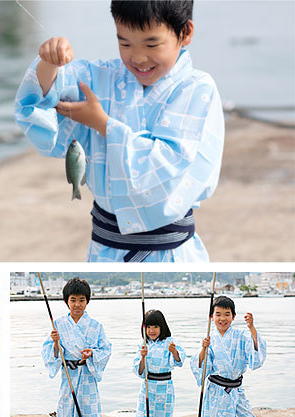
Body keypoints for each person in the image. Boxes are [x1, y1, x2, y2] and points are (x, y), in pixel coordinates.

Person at [14, 0, 224, 262]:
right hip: (104, 250)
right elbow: (43, 97)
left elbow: (164, 166)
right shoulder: (102, 76)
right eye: (125, 43)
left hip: (171, 254)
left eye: (151, 44)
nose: (137, 57)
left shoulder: (197, 88)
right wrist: (50, 63)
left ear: (186, 32)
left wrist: (103, 124)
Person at [42, 278, 112, 417]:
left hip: (87, 376)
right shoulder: (58, 324)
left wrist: (92, 353)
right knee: (67, 410)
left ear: (87, 301)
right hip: (68, 376)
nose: (77, 304)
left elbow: (106, 349)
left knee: (88, 412)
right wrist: (56, 343)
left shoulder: (96, 325)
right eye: (73, 300)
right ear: (66, 301)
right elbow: (50, 352)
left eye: (81, 300)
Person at [190, 296, 266, 417]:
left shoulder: (242, 335)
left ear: (233, 316)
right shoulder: (210, 339)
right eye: (218, 314)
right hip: (216, 391)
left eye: (227, 314)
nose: (222, 319)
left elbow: (255, 355)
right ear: (211, 317)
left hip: (236, 388)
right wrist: (203, 349)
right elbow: (202, 368)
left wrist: (251, 328)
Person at [133, 309, 185, 417]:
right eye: (148, 327)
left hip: (165, 387)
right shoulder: (143, 345)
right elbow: (140, 371)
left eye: (155, 326)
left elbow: (179, 361)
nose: (152, 330)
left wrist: (174, 351)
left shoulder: (170, 341)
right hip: (148, 386)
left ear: (162, 327)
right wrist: (142, 357)